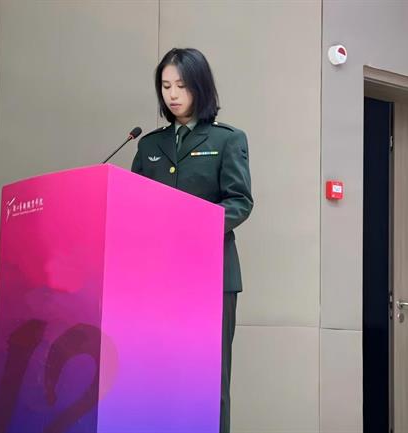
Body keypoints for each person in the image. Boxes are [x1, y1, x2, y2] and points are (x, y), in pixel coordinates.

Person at [131, 47, 253, 433]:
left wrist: (195, 227)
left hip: (211, 277)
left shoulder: (227, 139)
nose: (172, 94)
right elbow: (132, 204)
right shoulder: (148, 146)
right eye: (165, 86)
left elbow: (240, 202)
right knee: (160, 376)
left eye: (181, 85)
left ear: (200, 87)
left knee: (208, 379)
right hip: (158, 278)